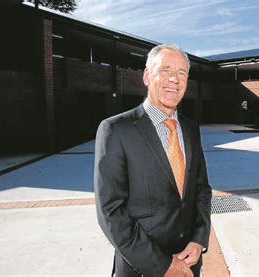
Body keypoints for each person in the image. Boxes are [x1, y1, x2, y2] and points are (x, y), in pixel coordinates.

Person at [94, 44, 212, 277]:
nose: (174, 79)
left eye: (182, 73)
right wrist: (163, 265)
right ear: (147, 76)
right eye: (165, 69)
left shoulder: (190, 128)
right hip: (142, 268)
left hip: (189, 263)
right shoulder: (115, 129)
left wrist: (199, 239)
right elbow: (110, 211)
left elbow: (202, 189)